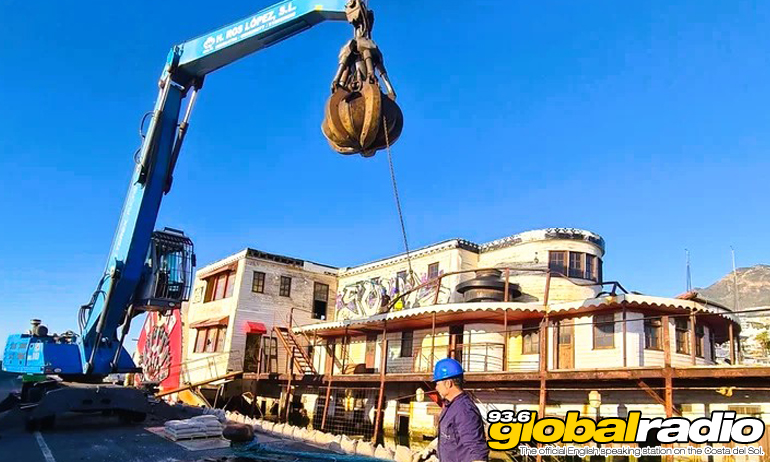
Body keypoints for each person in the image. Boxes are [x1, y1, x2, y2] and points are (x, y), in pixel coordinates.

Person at [414, 358, 489, 462]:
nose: (436, 388)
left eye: (437, 383)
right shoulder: (451, 406)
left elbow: (477, 452)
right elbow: (450, 438)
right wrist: (431, 450)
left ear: (448, 383)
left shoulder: (464, 411)